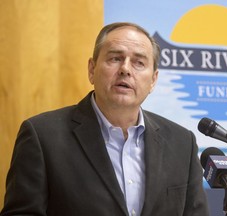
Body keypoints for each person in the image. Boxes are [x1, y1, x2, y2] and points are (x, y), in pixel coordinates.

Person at [0, 22, 209, 216]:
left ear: (153, 80)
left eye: (138, 62)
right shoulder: (42, 136)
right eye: (115, 58)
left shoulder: (182, 143)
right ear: (92, 70)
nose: (125, 69)